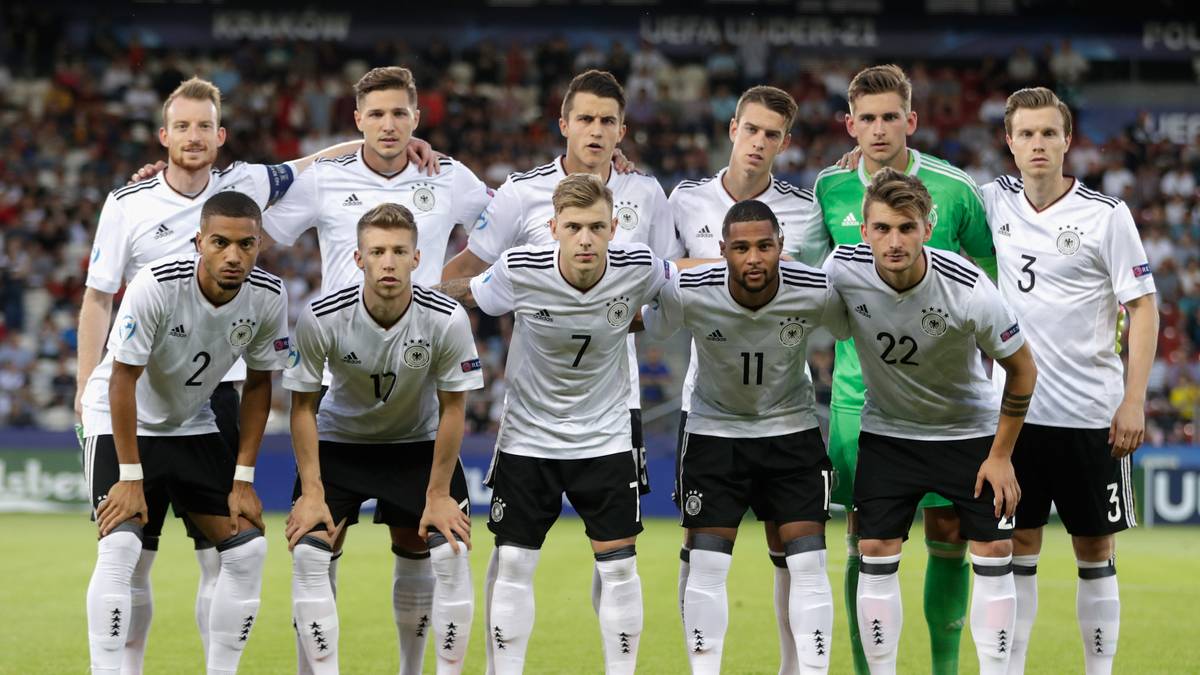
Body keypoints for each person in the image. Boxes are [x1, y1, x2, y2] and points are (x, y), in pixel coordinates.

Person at [74, 76, 382, 671]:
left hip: (213, 392)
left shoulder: (242, 185)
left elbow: (311, 163)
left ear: (221, 135)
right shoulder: (128, 203)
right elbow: (96, 301)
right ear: (164, 136)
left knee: (228, 553)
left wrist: (390, 144)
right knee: (130, 550)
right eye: (181, 126)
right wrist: (87, 392)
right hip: (131, 389)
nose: (193, 136)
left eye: (203, 126)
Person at [438, 173, 674, 674]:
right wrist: (412, 292)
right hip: (529, 438)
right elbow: (470, 292)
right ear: (554, 228)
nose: (585, 238)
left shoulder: (638, 266)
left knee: (620, 568)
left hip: (606, 438)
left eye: (595, 227)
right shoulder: (521, 267)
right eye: (573, 227)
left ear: (614, 228)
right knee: (516, 565)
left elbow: (681, 287)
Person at [815, 64, 997, 675]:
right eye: (866, 118)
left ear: (911, 121)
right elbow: (823, 278)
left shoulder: (953, 189)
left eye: (891, 116)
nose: (878, 128)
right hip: (857, 396)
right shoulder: (828, 189)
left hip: (945, 401)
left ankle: (944, 669)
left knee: (949, 528)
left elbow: (989, 270)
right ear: (850, 125)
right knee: (865, 539)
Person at [823, 169, 1037, 675]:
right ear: (863, 231)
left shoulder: (968, 288)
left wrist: (1002, 455)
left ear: (927, 227)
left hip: (968, 434)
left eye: (906, 228)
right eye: (881, 229)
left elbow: (1023, 369)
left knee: (993, 548)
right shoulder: (842, 270)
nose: (893, 242)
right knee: (873, 547)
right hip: (889, 433)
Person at [981, 87, 1159, 675]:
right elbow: (918, 197)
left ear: (1067, 140)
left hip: (1090, 415)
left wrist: (1134, 399)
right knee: (1016, 549)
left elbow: (1144, 307)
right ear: (1009, 142)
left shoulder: (1107, 216)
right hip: (1015, 420)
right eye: (1026, 133)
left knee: (1095, 549)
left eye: (1048, 133)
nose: (1037, 144)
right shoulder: (989, 203)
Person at [81, 191, 289, 674]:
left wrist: (243, 480)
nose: (233, 256)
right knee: (121, 545)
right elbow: (121, 379)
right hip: (120, 420)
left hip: (192, 423)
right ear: (199, 241)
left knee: (248, 549)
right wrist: (130, 477)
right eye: (220, 242)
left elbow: (259, 386)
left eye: (246, 244)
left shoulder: (269, 295)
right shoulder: (157, 283)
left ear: (260, 245)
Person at [642, 199, 848, 673]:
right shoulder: (690, 290)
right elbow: (651, 320)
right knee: (708, 566)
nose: (753, 258)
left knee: (809, 565)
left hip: (792, 432)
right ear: (721, 251)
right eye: (740, 248)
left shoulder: (815, 289)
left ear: (782, 247)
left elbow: (852, 322)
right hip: (715, 433)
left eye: (764, 246)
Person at [666, 84, 828, 674]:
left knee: (795, 555)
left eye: (772, 134)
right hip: (708, 405)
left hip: (788, 408)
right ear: (732, 128)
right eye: (751, 129)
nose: (759, 143)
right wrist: (727, 267)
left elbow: (818, 287)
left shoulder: (807, 210)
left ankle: (796, 666)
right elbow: (656, 276)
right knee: (700, 551)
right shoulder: (684, 201)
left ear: (786, 142)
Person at [283, 204, 483, 675]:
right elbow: (302, 408)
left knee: (449, 555)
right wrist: (312, 492)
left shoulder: (447, 317)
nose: (388, 262)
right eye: (377, 251)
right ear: (358, 257)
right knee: (310, 559)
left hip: (417, 445)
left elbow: (455, 408)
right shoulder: (321, 316)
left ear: (418, 258)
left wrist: (437, 494)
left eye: (399, 251)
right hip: (338, 445)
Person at [263, 66, 493, 295]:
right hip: (341, 331)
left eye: (399, 114)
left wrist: (442, 289)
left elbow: (508, 226)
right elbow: (255, 240)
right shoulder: (322, 178)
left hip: (423, 331)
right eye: (376, 114)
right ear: (358, 120)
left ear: (415, 119)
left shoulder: (448, 176)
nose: (389, 126)